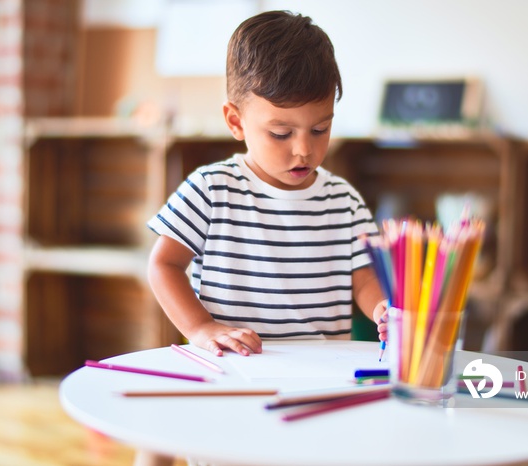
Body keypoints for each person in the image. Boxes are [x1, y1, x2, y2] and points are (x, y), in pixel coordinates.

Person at [140, 10, 387, 466]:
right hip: (235, 380)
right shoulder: (212, 188)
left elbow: (363, 277)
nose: (304, 149)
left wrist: (382, 309)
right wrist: (199, 327)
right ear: (235, 122)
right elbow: (163, 264)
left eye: (320, 128)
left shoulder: (343, 198)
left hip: (318, 386)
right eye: (280, 132)